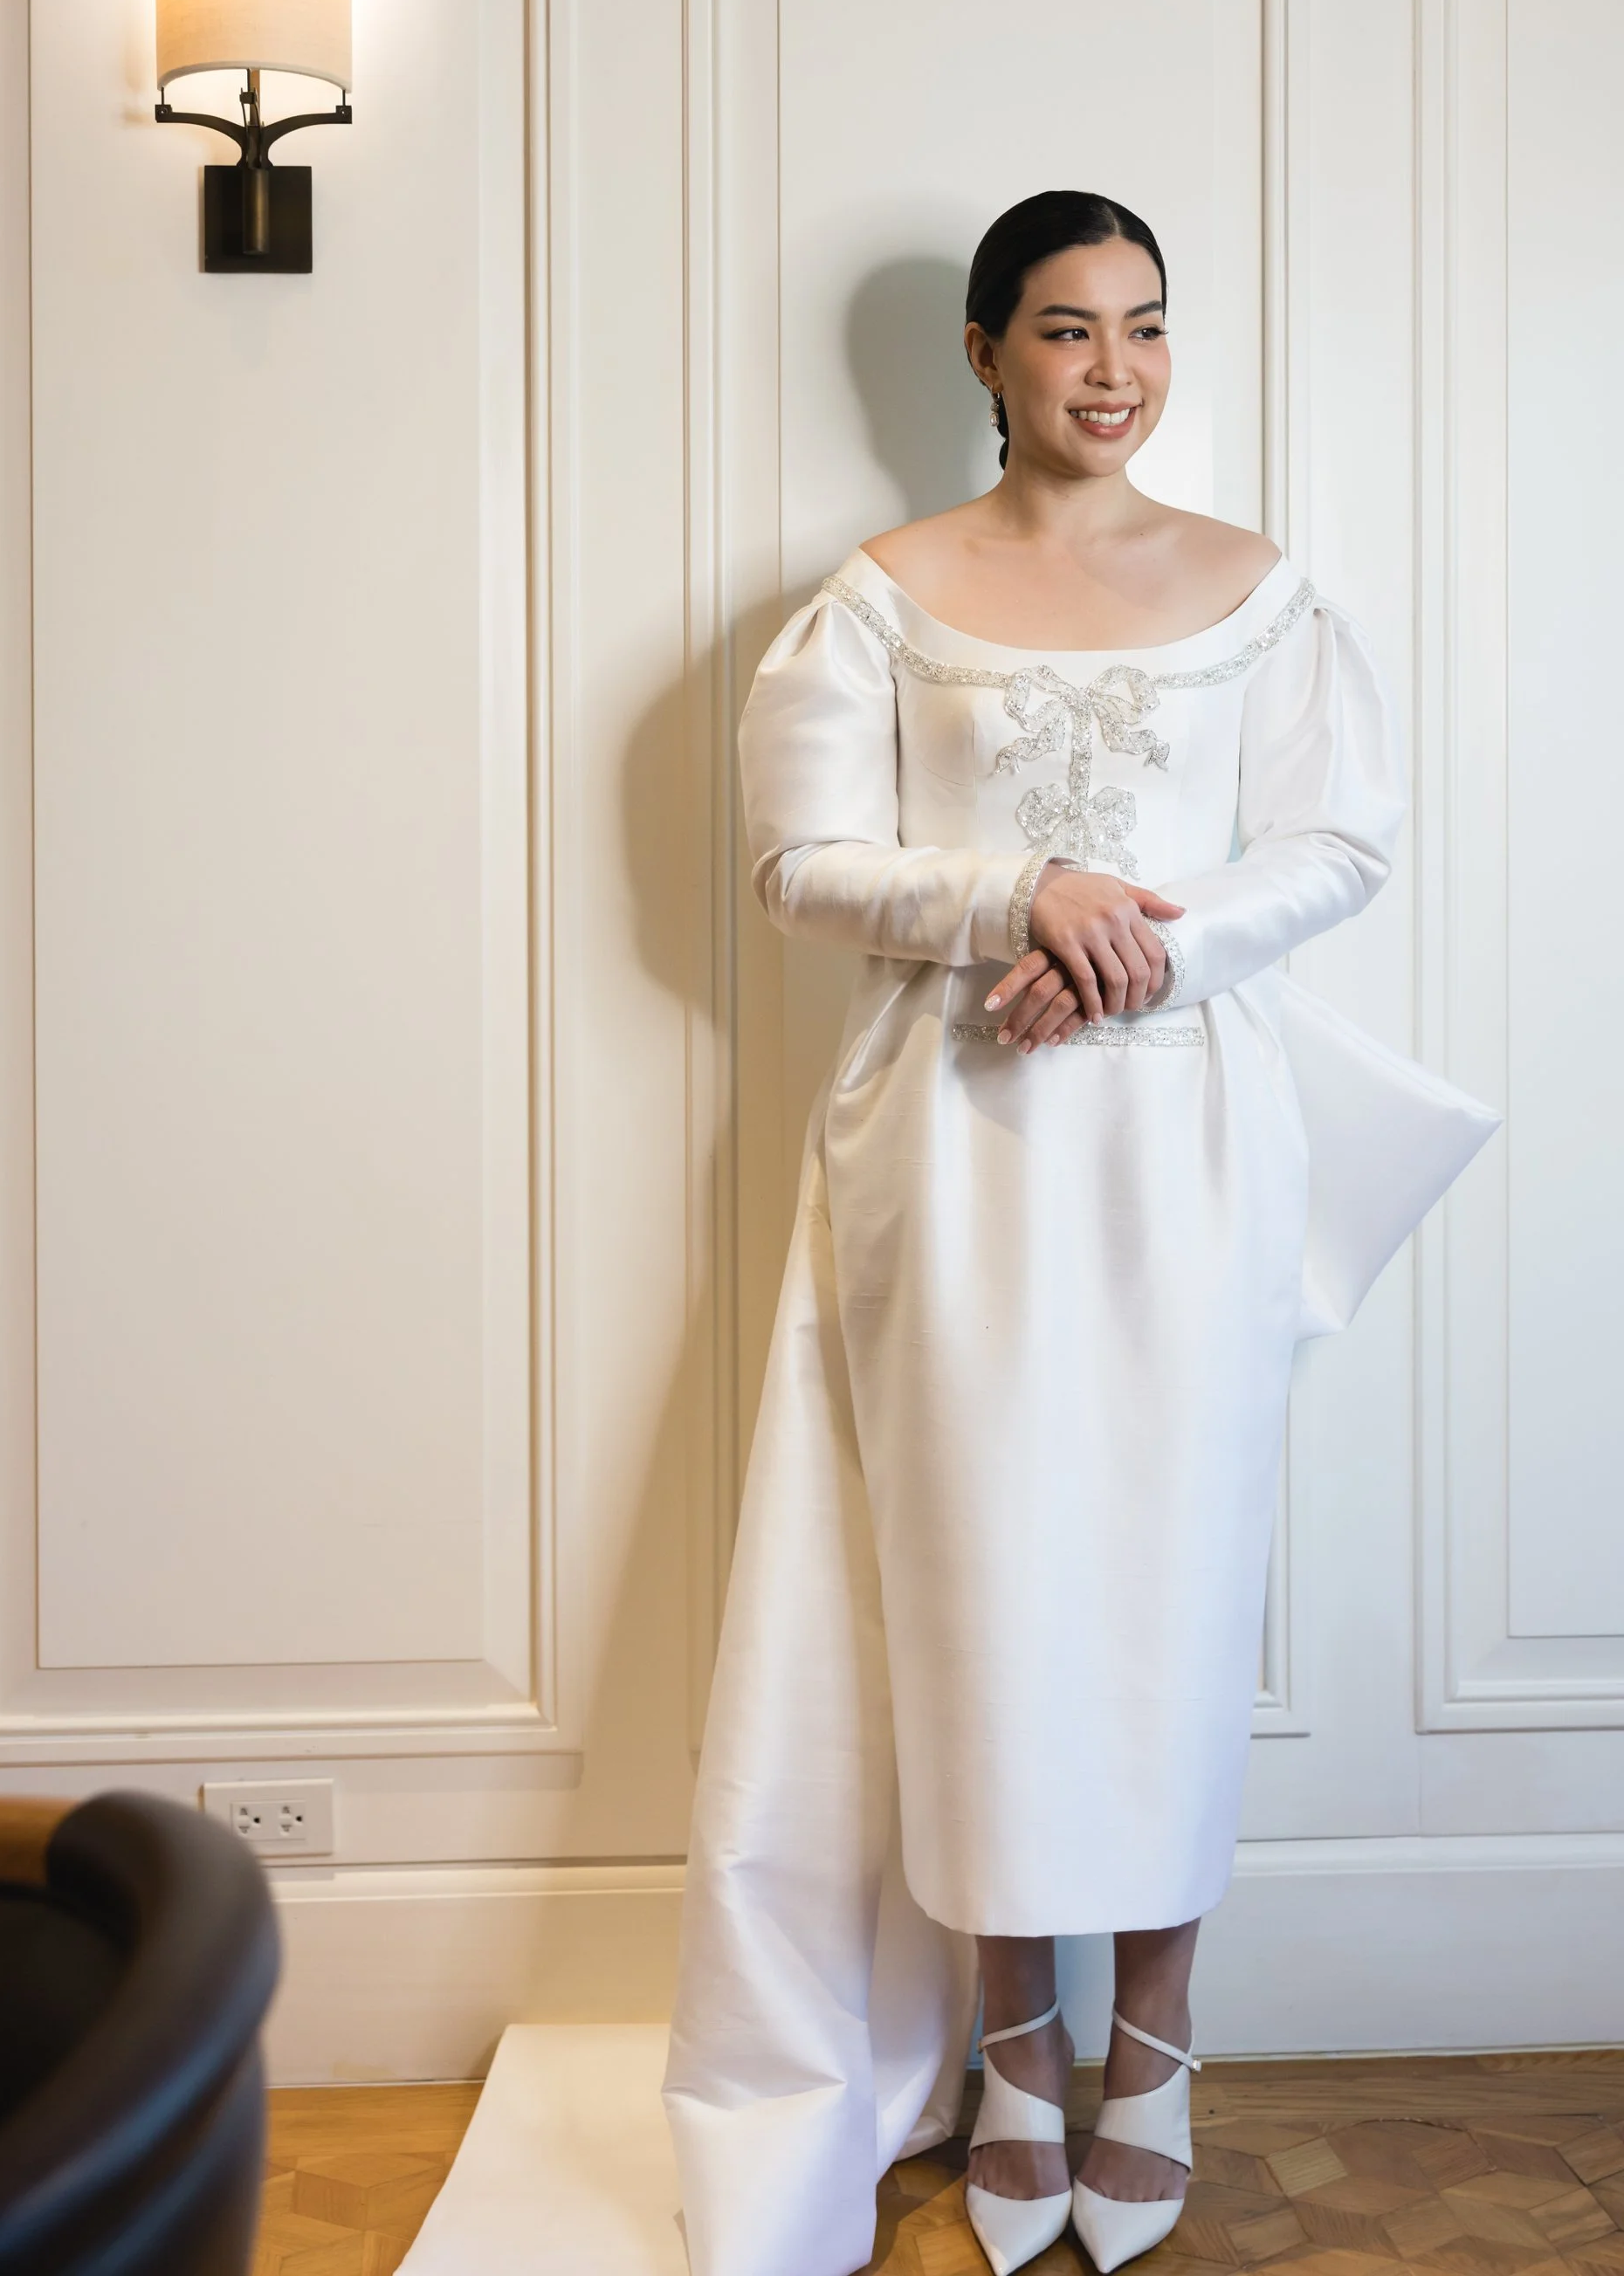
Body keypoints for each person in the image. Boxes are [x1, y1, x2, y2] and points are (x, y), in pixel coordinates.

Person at [661, 191, 1497, 2276]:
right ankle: (1014, 2043)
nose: (1110, 370)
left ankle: (1161, 2048)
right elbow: (794, 862)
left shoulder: (1256, 595)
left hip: (1183, 1132)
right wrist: (1012, 894)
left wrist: (1141, 946)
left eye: (1141, 325)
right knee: (983, 1588)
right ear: (982, 353)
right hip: (952, 1138)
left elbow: (1337, 842)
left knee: (1168, 1593)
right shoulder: (877, 602)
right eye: (1061, 329)